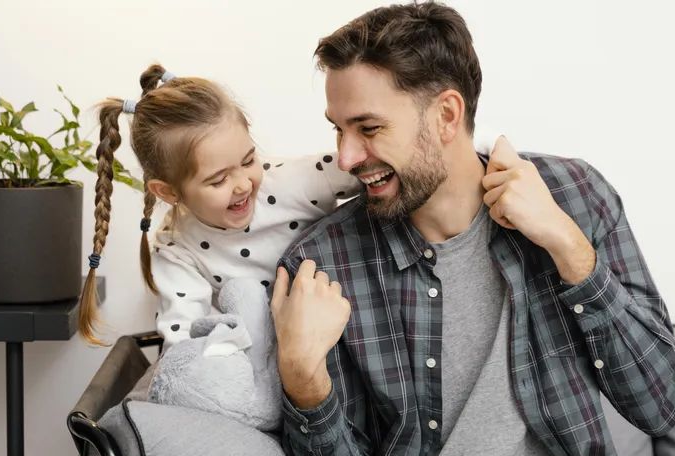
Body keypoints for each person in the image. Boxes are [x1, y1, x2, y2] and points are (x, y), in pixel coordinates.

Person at [269, 2, 675, 456]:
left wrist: (567, 247)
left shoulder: (575, 197)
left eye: (369, 128)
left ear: (447, 114)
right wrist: (303, 379)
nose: (348, 157)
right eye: (338, 130)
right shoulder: (321, 261)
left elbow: (662, 405)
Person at [76, 63, 502, 431]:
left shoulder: (290, 182)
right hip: (263, 364)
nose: (243, 183)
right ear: (167, 192)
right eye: (218, 179)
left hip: (339, 339)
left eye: (247, 160)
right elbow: (183, 344)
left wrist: (487, 158)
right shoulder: (176, 251)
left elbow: (383, 167)